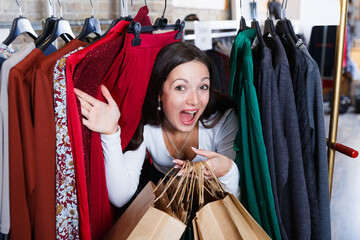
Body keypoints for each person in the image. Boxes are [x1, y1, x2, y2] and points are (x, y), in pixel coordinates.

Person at [74, 42, 240, 208]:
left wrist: (227, 170)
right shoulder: (145, 121)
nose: (195, 100)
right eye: (181, 87)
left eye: (203, 87)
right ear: (159, 93)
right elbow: (120, 197)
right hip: (166, 208)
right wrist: (110, 132)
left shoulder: (223, 120)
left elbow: (233, 204)